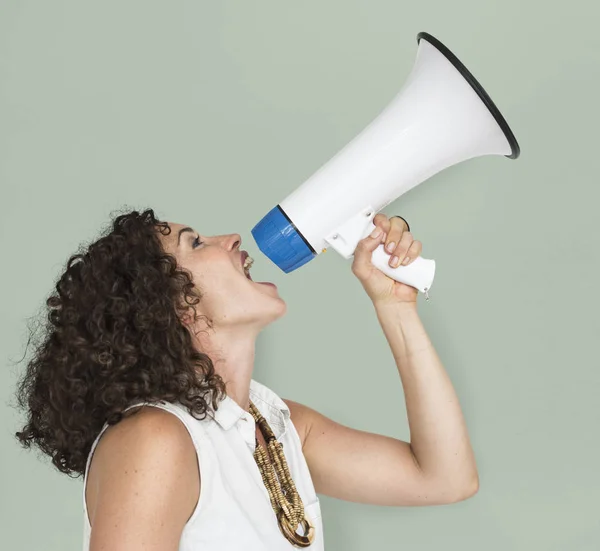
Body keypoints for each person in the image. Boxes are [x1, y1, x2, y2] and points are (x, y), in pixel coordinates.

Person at [14, 208, 478, 551]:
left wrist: (395, 307)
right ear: (168, 304)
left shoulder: (278, 425)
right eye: (194, 243)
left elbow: (443, 478)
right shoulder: (155, 439)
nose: (232, 238)